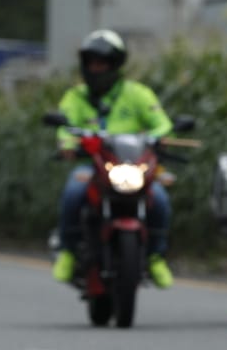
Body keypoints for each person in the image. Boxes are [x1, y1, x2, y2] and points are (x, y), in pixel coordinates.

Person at [51, 29, 176, 288]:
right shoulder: (76, 97)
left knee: (160, 199)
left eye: (103, 63)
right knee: (74, 191)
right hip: (95, 164)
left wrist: (159, 136)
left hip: (132, 165)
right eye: (92, 62)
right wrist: (67, 142)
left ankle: (155, 255)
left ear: (116, 65)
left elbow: (161, 123)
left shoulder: (137, 93)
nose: (97, 69)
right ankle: (68, 251)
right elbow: (65, 125)